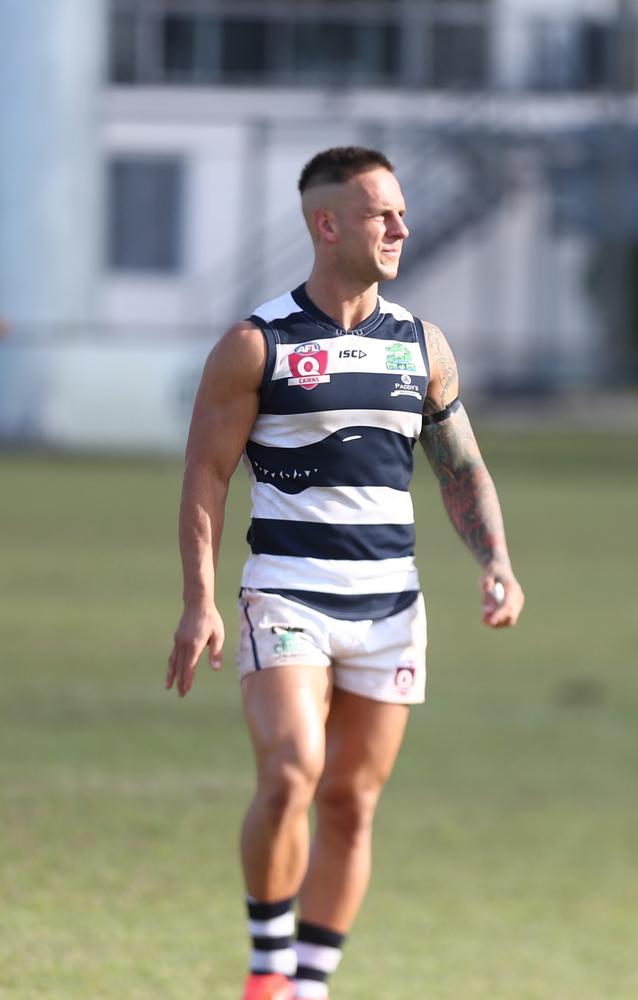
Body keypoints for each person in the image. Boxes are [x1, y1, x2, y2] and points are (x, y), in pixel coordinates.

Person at [166, 146, 525, 1000]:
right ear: (327, 226)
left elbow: (460, 467)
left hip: (391, 607)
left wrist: (497, 561)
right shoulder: (258, 344)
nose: (401, 226)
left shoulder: (420, 345)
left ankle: (311, 984)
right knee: (293, 769)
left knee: (352, 804)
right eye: (381, 214)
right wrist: (199, 601)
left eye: (401, 211)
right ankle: (266, 969)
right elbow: (206, 474)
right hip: (287, 593)